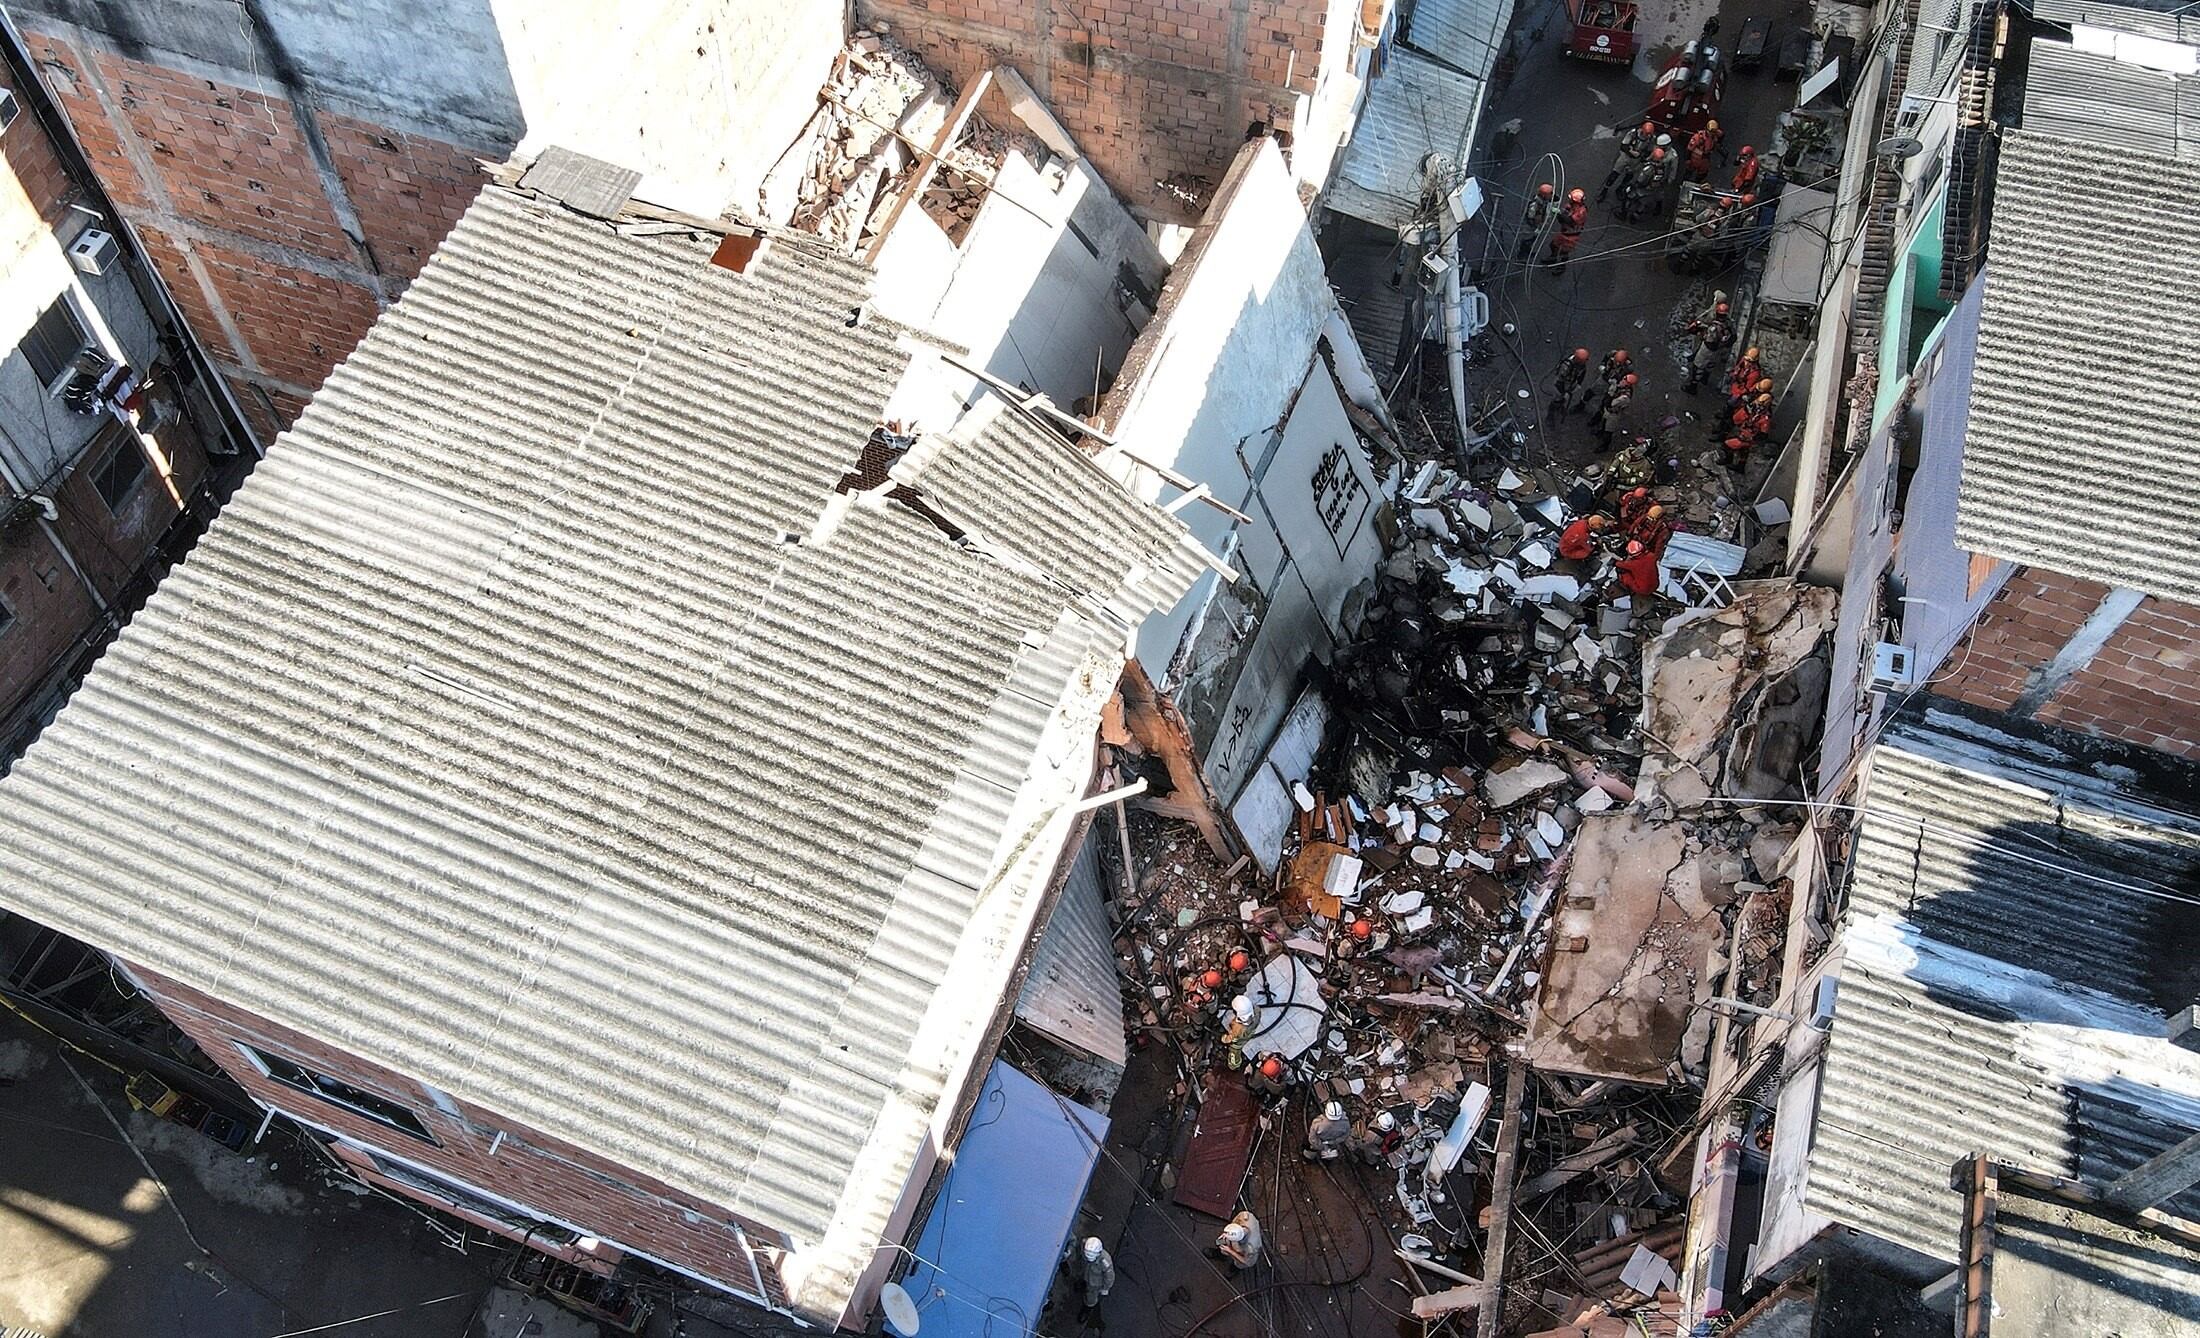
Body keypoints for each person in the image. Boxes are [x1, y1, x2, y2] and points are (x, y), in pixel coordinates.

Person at [1684, 302, 1734, 391]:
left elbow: (1710, 341)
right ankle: (1705, 378)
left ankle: (1693, 386)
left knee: (1697, 366)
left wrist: (1703, 333)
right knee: (1711, 364)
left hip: (1708, 350)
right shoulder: (1729, 323)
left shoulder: (1714, 328)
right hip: (1720, 350)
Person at [1599, 121, 1654, 201]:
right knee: (1614, 175)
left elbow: (1648, 151)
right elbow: (1623, 146)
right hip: (1625, 157)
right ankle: (1604, 191)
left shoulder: (1651, 139)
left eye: (1649, 134)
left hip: (1636, 161)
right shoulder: (1632, 134)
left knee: (1629, 177)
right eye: (1646, 134)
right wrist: (1631, 152)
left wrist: (1641, 156)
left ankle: (1620, 189)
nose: (1647, 136)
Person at [1594, 372, 1636, 451]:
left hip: (1613, 414)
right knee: (1604, 422)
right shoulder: (1620, 387)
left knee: (1608, 431)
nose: (1622, 381)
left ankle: (1604, 446)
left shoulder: (1625, 397)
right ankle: (1600, 432)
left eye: (1625, 381)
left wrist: (1611, 393)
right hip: (1608, 410)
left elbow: (1612, 404)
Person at [1516, 182, 1555, 260]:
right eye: (1550, 193)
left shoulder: (1542, 202)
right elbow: (1530, 217)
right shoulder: (1535, 205)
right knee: (1527, 240)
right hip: (1530, 227)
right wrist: (1535, 227)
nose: (1552, 195)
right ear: (1544, 195)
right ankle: (1521, 256)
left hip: (1536, 225)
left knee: (1532, 240)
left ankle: (1527, 251)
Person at [1078, 1238, 1115, 1311]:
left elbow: (1109, 1277)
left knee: (1091, 1296)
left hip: (1094, 1283)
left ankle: (1088, 1307)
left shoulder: (1105, 1262)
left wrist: (1106, 1288)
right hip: (1085, 1273)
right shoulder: (1084, 1244)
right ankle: (1083, 1284)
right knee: (1083, 1281)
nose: (1089, 1257)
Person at [1552, 347, 1591, 414]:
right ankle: (1553, 409)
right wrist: (1566, 392)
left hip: (1570, 383)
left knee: (1564, 398)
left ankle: (1561, 404)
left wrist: (1578, 384)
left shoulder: (1581, 366)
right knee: (1558, 397)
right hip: (1562, 384)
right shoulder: (1566, 366)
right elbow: (1560, 380)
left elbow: (1582, 373)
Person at [1222, 994, 1257, 1069]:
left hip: (1238, 1042)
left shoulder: (1238, 1030)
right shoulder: (1256, 1010)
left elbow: (1229, 1039)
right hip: (1249, 1031)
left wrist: (1223, 1038)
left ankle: (1234, 1066)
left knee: (1234, 1053)